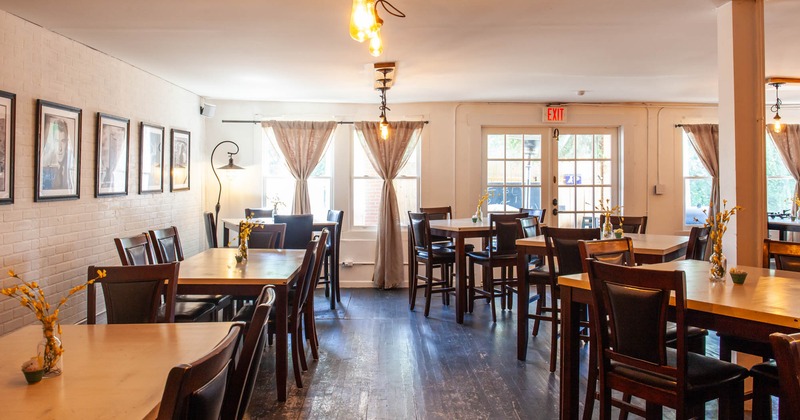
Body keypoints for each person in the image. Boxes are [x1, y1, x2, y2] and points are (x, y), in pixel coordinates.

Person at [42, 117, 72, 191]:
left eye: (63, 141)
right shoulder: (45, 165)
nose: (60, 148)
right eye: (56, 141)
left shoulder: (72, 165)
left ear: (67, 143)